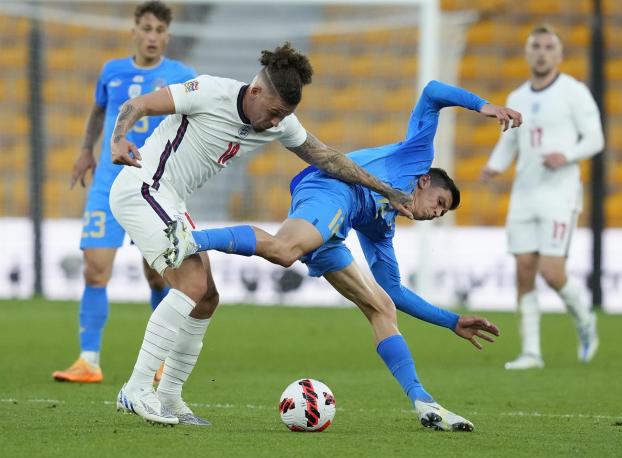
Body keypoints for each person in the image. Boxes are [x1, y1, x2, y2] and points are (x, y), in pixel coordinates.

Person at [168, 80, 521, 430]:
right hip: (332, 187)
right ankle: (190, 238)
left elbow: (394, 291)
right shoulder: (415, 157)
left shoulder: (383, 227)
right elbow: (431, 93)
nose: (435, 213)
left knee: (381, 306)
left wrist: (452, 321)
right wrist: (483, 105)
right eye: (440, 204)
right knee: (285, 250)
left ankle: (422, 400)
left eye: (442, 214)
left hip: (333, 230)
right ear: (426, 181)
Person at [108, 42, 415, 426]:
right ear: (255, 92)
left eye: (282, 116)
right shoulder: (208, 91)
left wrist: (385, 191)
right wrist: (118, 138)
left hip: (170, 199)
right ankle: (137, 389)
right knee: (190, 283)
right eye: (272, 113)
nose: (274, 123)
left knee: (206, 298)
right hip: (143, 188)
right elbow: (136, 105)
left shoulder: (281, 121)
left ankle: (169, 397)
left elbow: (329, 158)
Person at [52, 1, 196, 384]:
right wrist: (86, 150)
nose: (152, 37)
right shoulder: (111, 71)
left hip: (155, 187)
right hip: (107, 185)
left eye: (159, 31)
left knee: (157, 276)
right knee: (94, 269)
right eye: (146, 28)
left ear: (167, 35)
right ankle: (88, 361)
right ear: (134, 30)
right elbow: (99, 111)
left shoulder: (181, 75)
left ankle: (161, 362)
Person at [481, 24, 604, 370]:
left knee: (552, 272)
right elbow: (509, 139)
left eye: (549, 47)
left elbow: (595, 139)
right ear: (527, 52)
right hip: (525, 193)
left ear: (559, 54)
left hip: (559, 194)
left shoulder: (573, 92)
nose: (541, 52)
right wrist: (494, 166)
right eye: (536, 46)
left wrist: (567, 155)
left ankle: (585, 321)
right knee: (523, 271)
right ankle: (531, 352)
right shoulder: (518, 96)